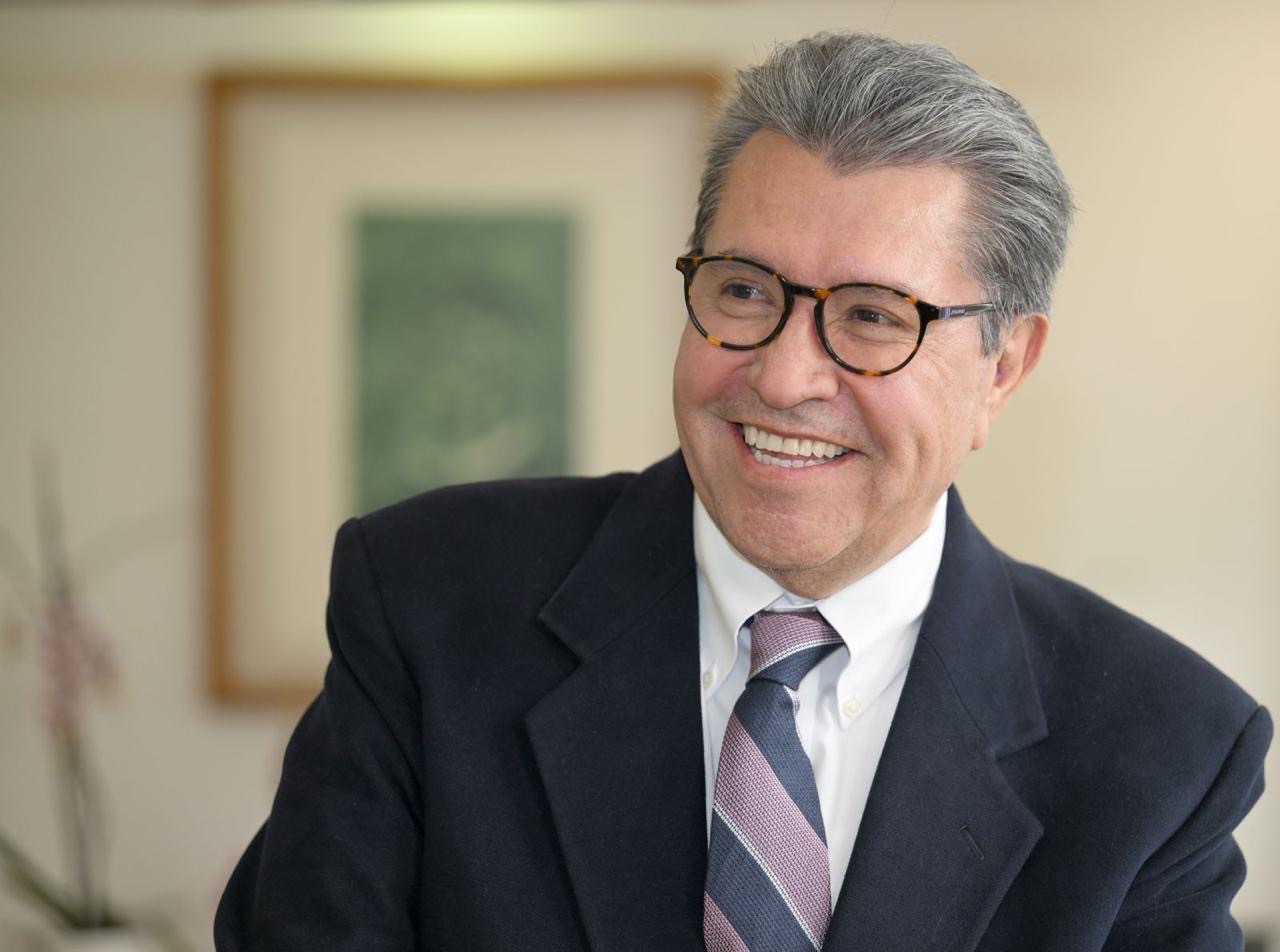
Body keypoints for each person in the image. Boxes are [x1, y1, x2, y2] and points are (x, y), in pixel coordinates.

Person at [214, 32, 1270, 952]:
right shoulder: (429, 601)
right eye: (743, 290)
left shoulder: (1162, 750)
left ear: (1003, 368)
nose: (782, 375)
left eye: (871, 316)